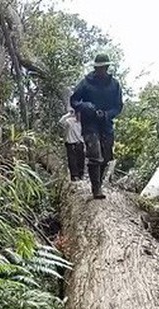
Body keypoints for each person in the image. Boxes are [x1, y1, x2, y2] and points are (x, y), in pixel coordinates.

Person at [69, 53, 123, 199]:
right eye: (98, 68)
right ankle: (96, 188)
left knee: (105, 157)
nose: (100, 70)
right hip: (90, 124)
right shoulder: (86, 83)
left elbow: (118, 107)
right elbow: (74, 100)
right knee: (95, 155)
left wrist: (106, 114)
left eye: (103, 68)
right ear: (95, 68)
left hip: (106, 124)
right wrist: (85, 106)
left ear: (107, 67)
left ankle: (98, 183)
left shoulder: (114, 85)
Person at [58, 108, 85, 181]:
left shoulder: (84, 123)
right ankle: (74, 176)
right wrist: (69, 114)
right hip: (71, 143)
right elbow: (61, 121)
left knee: (81, 160)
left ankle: (81, 175)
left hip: (80, 144)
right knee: (72, 161)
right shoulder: (70, 121)